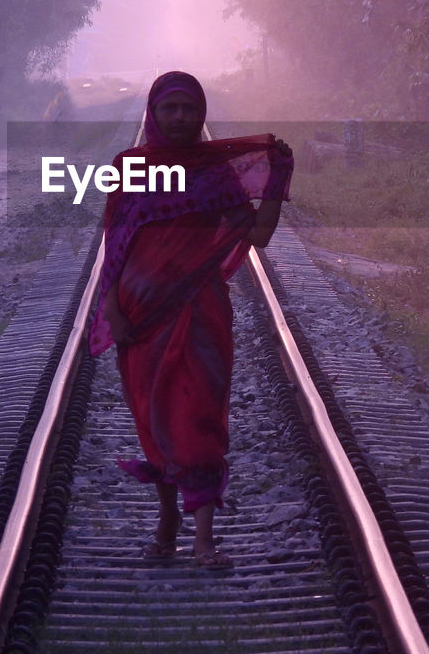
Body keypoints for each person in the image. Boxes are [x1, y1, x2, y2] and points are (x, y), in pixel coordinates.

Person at [87, 71, 293, 569]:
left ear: (201, 115)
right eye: (169, 109)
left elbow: (258, 237)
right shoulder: (129, 169)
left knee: (196, 419)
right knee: (156, 422)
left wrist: (278, 180)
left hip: (200, 314)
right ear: (152, 115)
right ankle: (167, 523)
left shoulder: (215, 175)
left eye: (188, 109)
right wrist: (112, 312)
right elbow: (114, 249)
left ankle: (203, 541)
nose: (180, 118)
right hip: (140, 319)